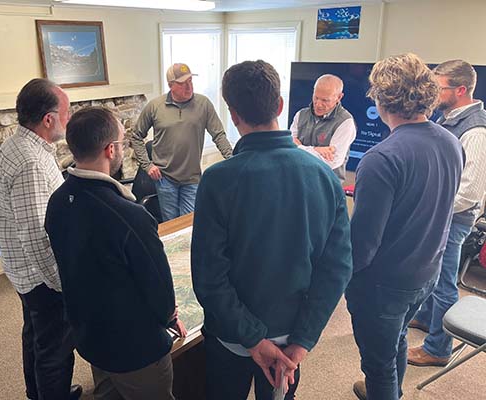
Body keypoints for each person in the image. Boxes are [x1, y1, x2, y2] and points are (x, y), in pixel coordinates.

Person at [191, 60, 353, 400]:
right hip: (292, 338)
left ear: (233, 115)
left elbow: (209, 277)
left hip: (232, 337)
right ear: (280, 105)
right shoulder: (325, 177)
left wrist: (252, 338)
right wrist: (304, 341)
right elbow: (336, 269)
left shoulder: (218, 180)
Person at [45, 106, 187, 400]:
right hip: (136, 349)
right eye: (122, 142)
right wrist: (170, 318)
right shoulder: (130, 215)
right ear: (110, 150)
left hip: (90, 337)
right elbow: (159, 287)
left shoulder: (57, 202)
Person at [346, 53, 464, 400]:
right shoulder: (451, 142)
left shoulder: (381, 159)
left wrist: (333, 281)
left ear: (381, 100)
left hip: (384, 286)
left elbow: (362, 246)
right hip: (427, 273)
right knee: (397, 339)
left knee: (378, 366)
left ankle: (386, 390)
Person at [0, 78, 81, 400]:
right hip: (40, 276)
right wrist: (60, 283)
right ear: (48, 119)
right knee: (55, 349)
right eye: (66, 112)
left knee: (35, 336)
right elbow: (35, 234)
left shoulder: (19, 145)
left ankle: (38, 392)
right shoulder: (30, 161)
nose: (69, 119)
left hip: (23, 271)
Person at [408, 60, 486, 367]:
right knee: (433, 274)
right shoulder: (447, 118)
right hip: (442, 215)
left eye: (438, 87)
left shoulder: (476, 131)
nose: (432, 93)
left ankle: (437, 349)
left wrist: (429, 207)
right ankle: (428, 320)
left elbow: (469, 192)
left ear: (460, 90)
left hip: (454, 219)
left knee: (444, 284)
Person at [131, 63, 233, 221]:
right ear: (171, 85)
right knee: (171, 225)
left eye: (190, 81)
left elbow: (218, 135)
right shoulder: (155, 106)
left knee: (188, 225)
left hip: (192, 178)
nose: (188, 86)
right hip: (164, 178)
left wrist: (233, 161)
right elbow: (136, 136)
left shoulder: (203, 104)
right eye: (183, 83)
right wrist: (147, 165)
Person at [289, 74, 356, 182]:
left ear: (339, 97)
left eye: (325, 100)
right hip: (299, 181)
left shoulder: (346, 122)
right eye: (316, 97)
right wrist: (316, 150)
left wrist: (299, 147)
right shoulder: (300, 115)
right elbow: (289, 149)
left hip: (327, 185)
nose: (318, 104)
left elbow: (332, 162)